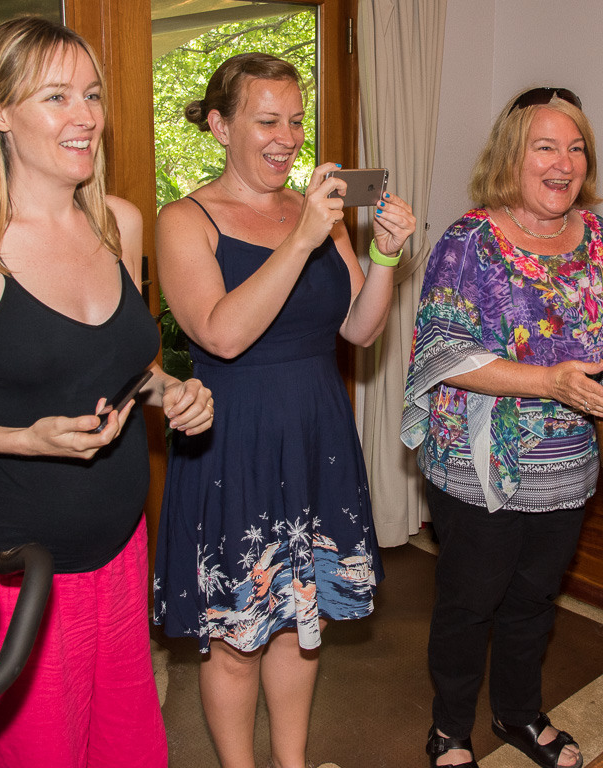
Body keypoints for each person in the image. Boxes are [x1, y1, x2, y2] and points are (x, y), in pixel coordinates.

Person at [0, 16, 213, 768]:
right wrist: (20, 437)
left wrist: (173, 392)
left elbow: (126, 370)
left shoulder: (118, 224)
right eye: (56, 96)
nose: (86, 116)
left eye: (92, 95)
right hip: (15, 573)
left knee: (131, 753)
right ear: (0, 114)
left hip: (120, 552)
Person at [402, 87, 603, 768]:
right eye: (545, 146)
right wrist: (547, 380)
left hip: (568, 462)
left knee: (533, 601)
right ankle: (449, 730)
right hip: (478, 465)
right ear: (512, 155)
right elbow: (442, 354)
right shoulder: (468, 240)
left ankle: (518, 715)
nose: (563, 162)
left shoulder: (599, 237)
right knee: (469, 604)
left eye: (575, 148)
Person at [151, 52, 415, 768]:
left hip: (315, 433)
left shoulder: (318, 215)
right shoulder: (183, 220)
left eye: (296, 121)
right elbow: (221, 333)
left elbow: (358, 329)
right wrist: (300, 241)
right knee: (239, 634)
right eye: (266, 119)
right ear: (219, 124)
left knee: (303, 622)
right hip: (232, 442)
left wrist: (385, 259)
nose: (288, 137)